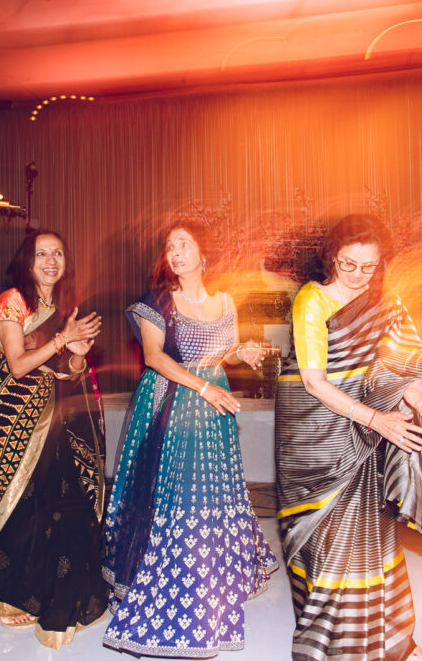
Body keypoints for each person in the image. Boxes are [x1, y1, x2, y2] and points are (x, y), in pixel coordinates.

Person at [274, 214, 422, 661]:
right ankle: (332, 648)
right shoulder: (312, 301)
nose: (357, 277)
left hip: (362, 439)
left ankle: (390, 642)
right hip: (316, 443)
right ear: (332, 257)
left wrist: (407, 387)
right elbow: (312, 382)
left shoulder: (380, 306)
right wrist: (378, 418)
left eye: (368, 268)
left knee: (370, 537)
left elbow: (393, 366)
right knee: (328, 545)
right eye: (348, 265)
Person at [102, 218, 279, 657]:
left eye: (185, 244)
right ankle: (176, 582)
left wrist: (243, 353)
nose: (176, 252)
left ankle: (214, 576)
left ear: (205, 254)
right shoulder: (158, 301)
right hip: (172, 404)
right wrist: (202, 386)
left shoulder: (225, 301)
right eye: (170, 246)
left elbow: (222, 352)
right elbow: (155, 357)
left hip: (214, 409)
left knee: (213, 494)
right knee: (176, 496)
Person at [0, 229, 107, 647]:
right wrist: (62, 340)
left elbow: (63, 372)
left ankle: (55, 595)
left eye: (58, 254)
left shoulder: (59, 308)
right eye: (41, 254)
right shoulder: (12, 300)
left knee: (62, 503)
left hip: (52, 418)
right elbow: (16, 366)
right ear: (26, 261)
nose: (51, 261)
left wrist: (79, 353)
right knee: (25, 505)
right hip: (11, 416)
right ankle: (11, 596)